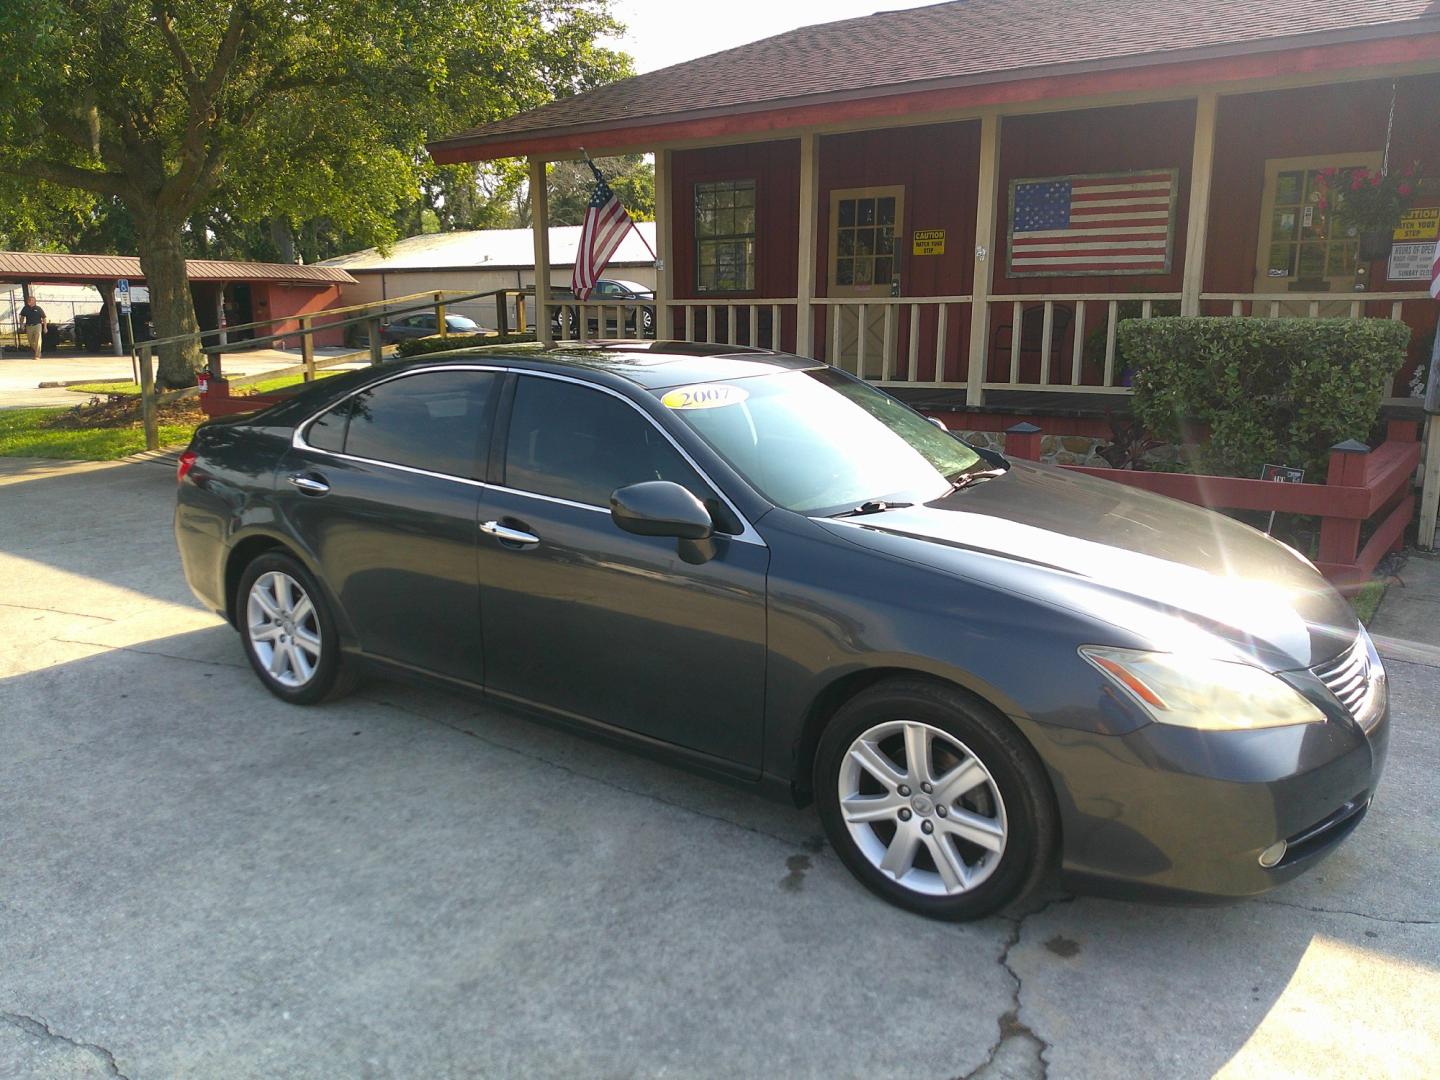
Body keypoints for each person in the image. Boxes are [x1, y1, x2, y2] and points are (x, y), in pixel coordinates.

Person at [18, 294, 46, 360]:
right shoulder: (25, 308)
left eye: (31, 300)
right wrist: (21, 325)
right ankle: (37, 351)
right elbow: (22, 317)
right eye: (29, 300)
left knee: (38, 340)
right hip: (29, 326)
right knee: (30, 341)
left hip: (37, 326)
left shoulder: (38, 308)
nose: (29, 301)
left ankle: (37, 355)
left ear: (34, 301)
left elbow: (44, 318)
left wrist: (45, 327)